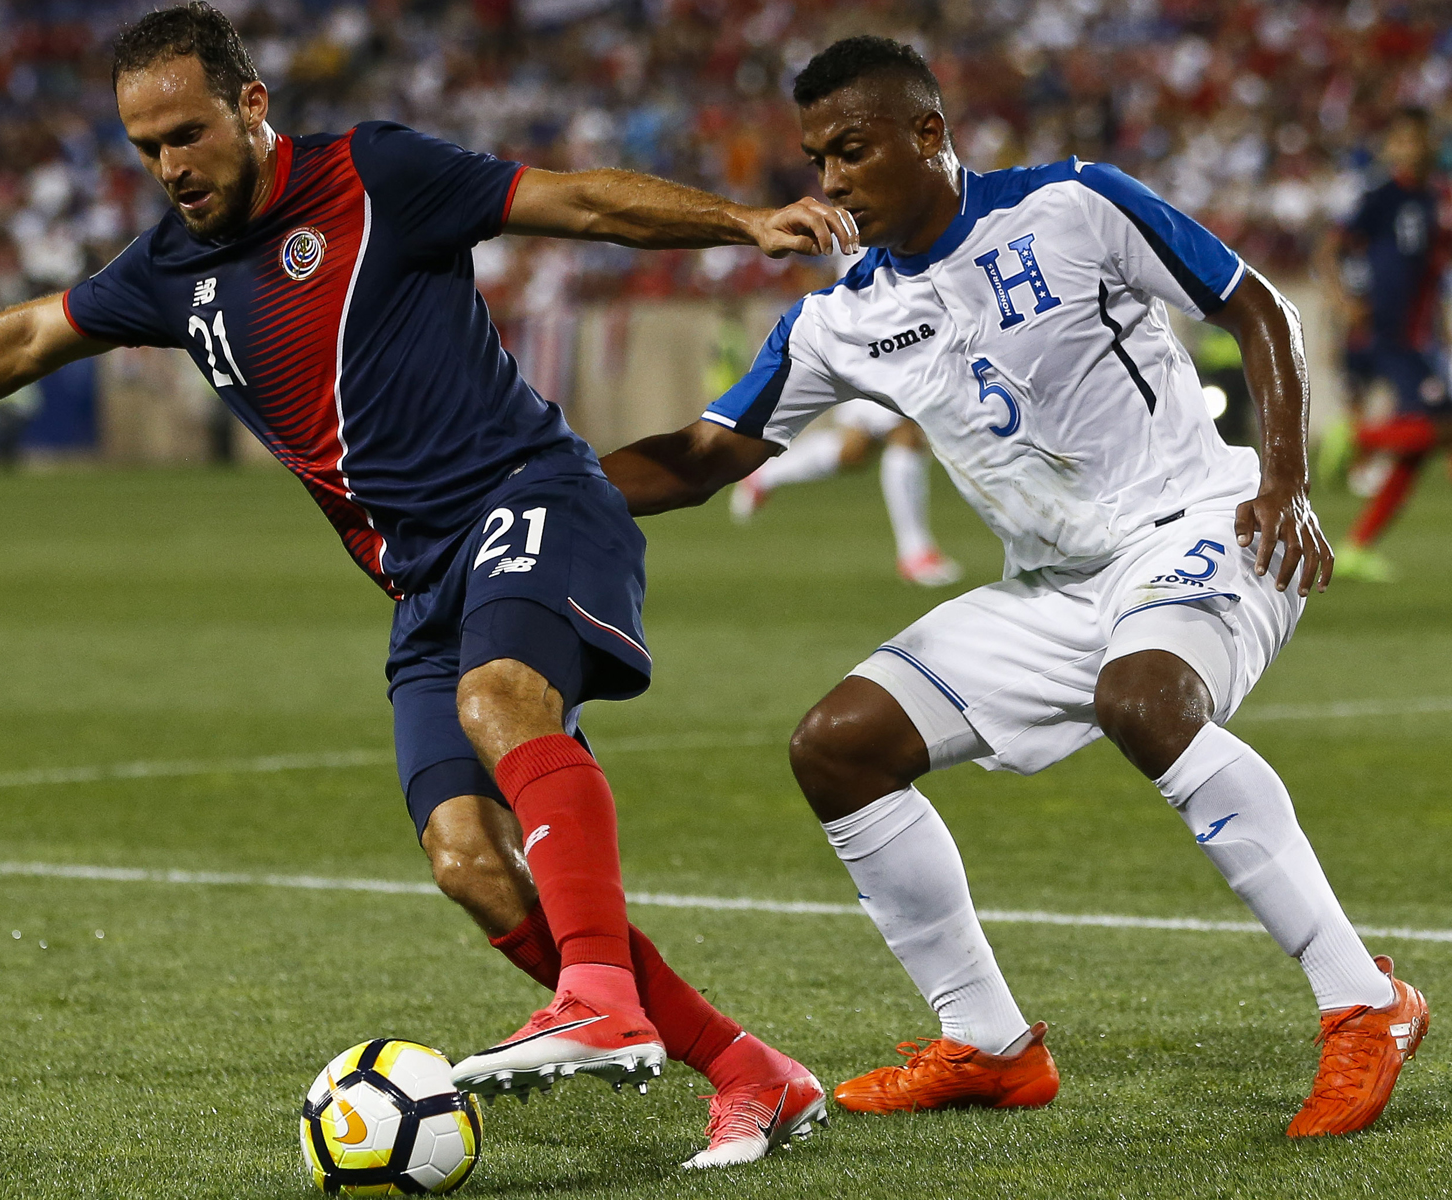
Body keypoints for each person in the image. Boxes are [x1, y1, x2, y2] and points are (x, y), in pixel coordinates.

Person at [0, 2, 846, 1168]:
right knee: (470, 866)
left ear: (250, 105)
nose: (169, 167)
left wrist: (741, 220)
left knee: (500, 702)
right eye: (144, 148)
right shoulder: (168, 270)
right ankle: (750, 1072)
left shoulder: (373, 175)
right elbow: (30, 337)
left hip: (530, 494)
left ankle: (595, 995)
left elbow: (575, 200)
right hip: (420, 584)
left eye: (185, 133)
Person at [602, 36, 1428, 1138]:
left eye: (851, 150)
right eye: (817, 159)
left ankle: (1367, 1004)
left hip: (1200, 527)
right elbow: (702, 458)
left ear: (930, 134)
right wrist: (531, 487)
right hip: (1051, 588)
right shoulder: (840, 314)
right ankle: (989, 1045)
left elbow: (1258, 308)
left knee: (1145, 701)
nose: (831, 180)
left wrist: (1286, 483)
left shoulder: (1076, 203)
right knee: (839, 747)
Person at [1318, 108, 1452, 582]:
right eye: (1402, 141)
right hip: (1386, 332)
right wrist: (1342, 302)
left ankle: (1355, 548)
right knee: (1440, 426)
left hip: (1417, 336)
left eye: (1418, 140)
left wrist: (1441, 325)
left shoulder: (1436, 200)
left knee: (1420, 449)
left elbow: (1432, 273)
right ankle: (1356, 437)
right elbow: (1329, 247)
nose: (1411, 149)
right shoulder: (1382, 197)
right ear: (1392, 148)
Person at [730, 400, 963, 587]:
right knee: (905, 434)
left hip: (889, 351)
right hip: (880, 352)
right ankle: (915, 553)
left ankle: (764, 475)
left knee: (853, 451)